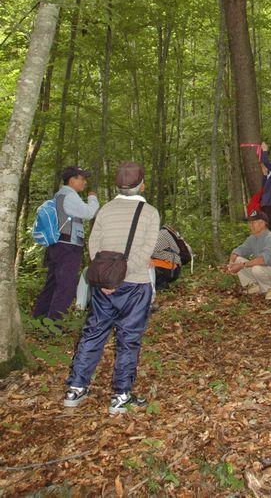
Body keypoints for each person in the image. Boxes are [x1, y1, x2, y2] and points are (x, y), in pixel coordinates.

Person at [64, 162, 160, 414]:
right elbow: (147, 250)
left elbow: (94, 244)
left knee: (93, 333)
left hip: (103, 286)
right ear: (141, 184)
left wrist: (106, 276)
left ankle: (76, 388)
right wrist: (121, 274)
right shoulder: (150, 212)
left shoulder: (105, 210)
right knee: (128, 339)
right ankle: (120, 395)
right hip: (135, 285)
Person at [33, 166, 99, 322]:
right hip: (68, 246)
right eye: (82, 178)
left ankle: (40, 319)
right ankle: (54, 326)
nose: (84, 182)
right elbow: (89, 213)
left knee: (53, 284)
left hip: (58, 245)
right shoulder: (69, 195)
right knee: (66, 286)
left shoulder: (59, 196)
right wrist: (92, 198)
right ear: (72, 180)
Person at [226, 210, 271, 300]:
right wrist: (231, 263)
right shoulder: (253, 238)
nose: (250, 225)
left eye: (252, 222)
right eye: (249, 223)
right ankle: (253, 286)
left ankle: (270, 288)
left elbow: (262, 260)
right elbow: (238, 250)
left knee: (256, 268)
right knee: (238, 260)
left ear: (262, 224)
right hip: (263, 270)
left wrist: (241, 265)